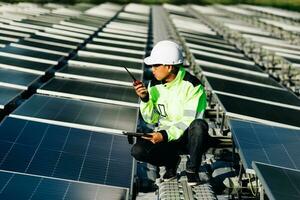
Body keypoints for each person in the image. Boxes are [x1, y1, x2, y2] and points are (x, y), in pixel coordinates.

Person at [131, 40, 209, 186]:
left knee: (199, 125)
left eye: (155, 65)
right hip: (166, 137)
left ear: (168, 66)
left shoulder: (193, 86)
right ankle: (171, 163)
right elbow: (151, 119)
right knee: (137, 150)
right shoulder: (154, 84)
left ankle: (192, 170)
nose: (152, 69)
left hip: (190, 139)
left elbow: (188, 121)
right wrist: (145, 99)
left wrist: (164, 135)